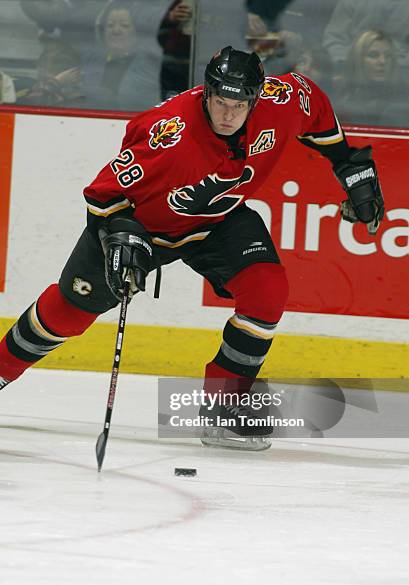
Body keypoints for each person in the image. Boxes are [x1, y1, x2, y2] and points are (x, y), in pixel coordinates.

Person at [0, 46, 385, 451]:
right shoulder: (166, 132)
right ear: (207, 93)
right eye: (220, 101)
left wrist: (352, 169)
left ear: (256, 98)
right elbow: (103, 196)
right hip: (143, 228)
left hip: (218, 221)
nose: (227, 114)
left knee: (267, 289)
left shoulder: (283, 100)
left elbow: (317, 108)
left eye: (239, 105)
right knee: (70, 311)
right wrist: (121, 233)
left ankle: (223, 407)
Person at [82, 0, 161, 111]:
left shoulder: (150, 65)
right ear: (102, 31)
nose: (116, 31)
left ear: (136, 31)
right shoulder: (91, 60)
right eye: (110, 25)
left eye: (124, 25)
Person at [333, 30, 407, 127]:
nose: (382, 61)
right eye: (373, 55)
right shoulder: (339, 104)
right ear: (358, 60)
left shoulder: (404, 102)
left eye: (388, 56)